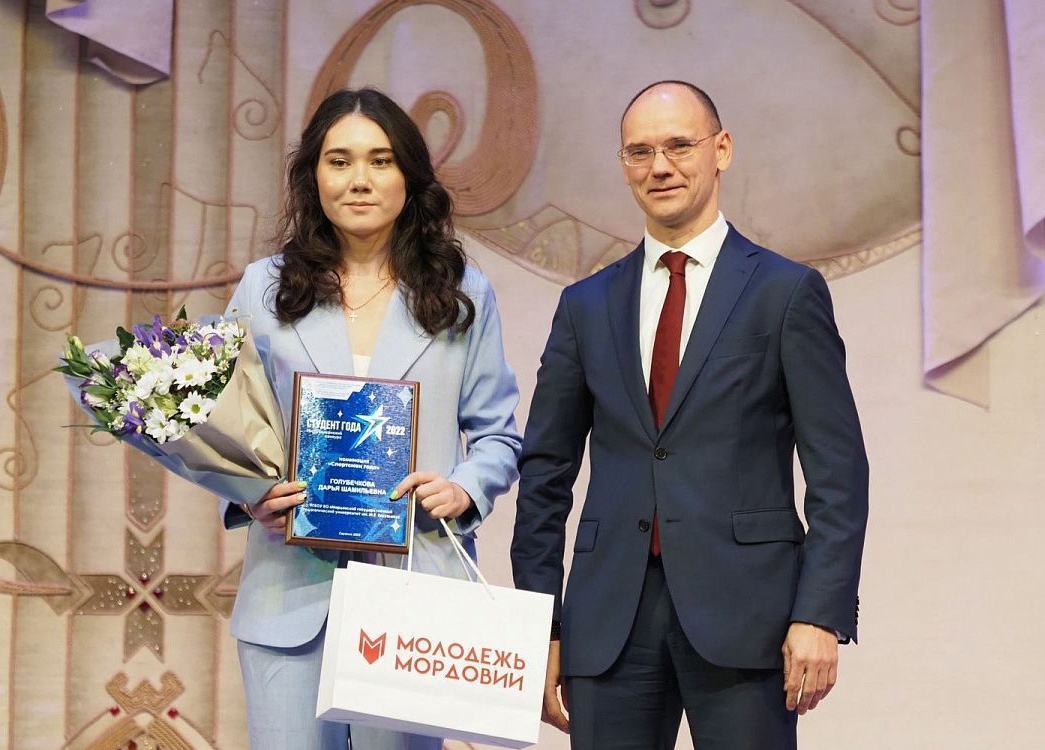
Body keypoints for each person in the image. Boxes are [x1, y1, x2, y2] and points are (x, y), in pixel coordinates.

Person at [510, 80, 869, 749]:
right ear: (623, 164)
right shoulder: (586, 305)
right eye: (640, 151)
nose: (660, 166)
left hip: (749, 618)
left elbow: (837, 471)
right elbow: (544, 474)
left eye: (679, 145)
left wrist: (819, 613)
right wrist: (540, 623)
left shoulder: (785, 293)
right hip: (608, 622)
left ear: (721, 149)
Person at [219, 87, 522, 750]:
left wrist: (463, 488)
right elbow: (226, 431)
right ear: (313, 176)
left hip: (413, 595)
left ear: (409, 177)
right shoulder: (262, 290)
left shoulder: (461, 292)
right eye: (340, 161)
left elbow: (498, 434)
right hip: (288, 594)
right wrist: (248, 496)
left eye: (380, 161)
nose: (359, 180)